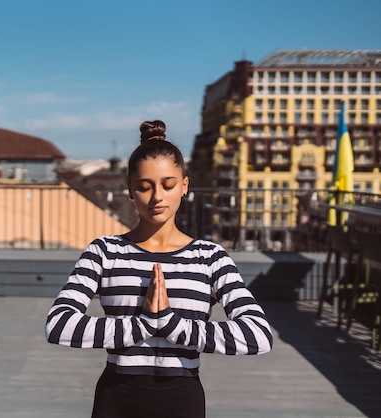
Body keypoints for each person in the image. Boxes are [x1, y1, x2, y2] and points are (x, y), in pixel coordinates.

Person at [45, 120, 273, 418]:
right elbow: (59, 325)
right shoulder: (105, 251)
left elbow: (257, 335)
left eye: (168, 185)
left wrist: (170, 324)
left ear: (184, 186)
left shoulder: (210, 257)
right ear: (130, 190)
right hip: (116, 400)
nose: (157, 197)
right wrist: (141, 325)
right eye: (144, 186)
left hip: (183, 402)